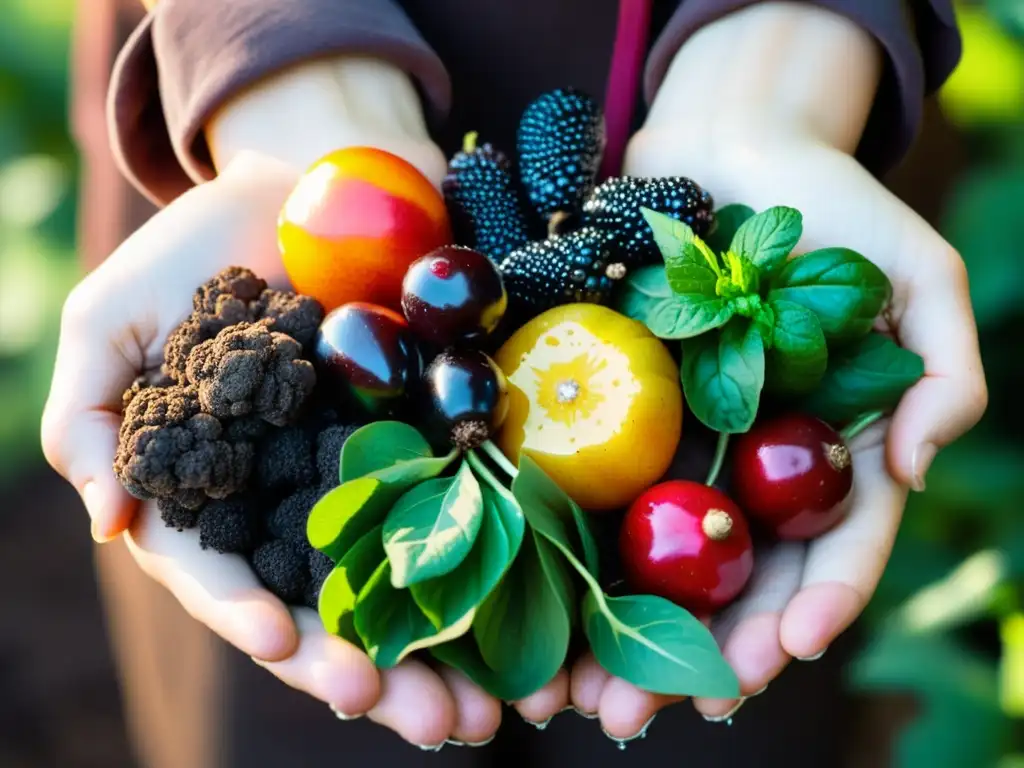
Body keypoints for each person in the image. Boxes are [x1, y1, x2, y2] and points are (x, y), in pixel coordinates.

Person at [46, 0, 985, 764]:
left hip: (746, 95)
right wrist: (289, 82)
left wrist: (780, 70)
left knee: (729, 729)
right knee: (289, 718)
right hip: (289, 139)